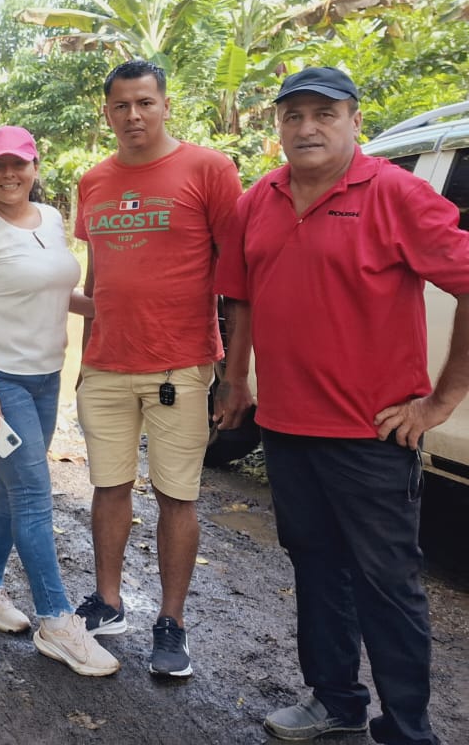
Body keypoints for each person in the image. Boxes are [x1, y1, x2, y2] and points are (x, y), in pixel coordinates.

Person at [214, 66, 467, 745]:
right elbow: (241, 295)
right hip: (286, 428)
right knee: (317, 567)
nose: (307, 128)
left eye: (324, 114)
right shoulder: (258, 199)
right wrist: (236, 380)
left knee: (388, 584)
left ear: (355, 120)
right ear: (278, 126)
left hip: (371, 435)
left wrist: (441, 400)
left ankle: (408, 729)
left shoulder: (396, 193)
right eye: (293, 115)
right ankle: (335, 701)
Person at [72, 60, 242, 678]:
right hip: (107, 366)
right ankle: (108, 602)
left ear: (166, 106)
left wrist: (234, 373)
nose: (134, 115)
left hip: (180, 366)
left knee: (177, 495)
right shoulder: (93, 181)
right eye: (121, 105)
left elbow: (236, 277)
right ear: (107, 113)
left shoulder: (209, 169)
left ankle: (171, 622)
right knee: (108, 486)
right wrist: (84, 359)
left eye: (145, 102)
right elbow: (97, 279)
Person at [0, 125, 118, 678]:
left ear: (34, 167)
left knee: (10, 484)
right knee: (33, 493)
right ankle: (56, 621)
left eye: (17, 164)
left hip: (44, 377)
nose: (8, 174)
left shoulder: (50, 219)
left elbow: (55, 291)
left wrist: (111, 308)